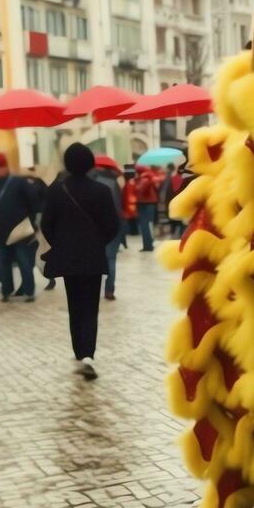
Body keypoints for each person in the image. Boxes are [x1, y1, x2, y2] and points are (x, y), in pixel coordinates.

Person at [40, 144, 121, 379]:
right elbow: (113, 225)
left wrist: (60, 242)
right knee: (90, 306)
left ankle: (78, 350)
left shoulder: (56, 190)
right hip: (92, 256)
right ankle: (88, 353)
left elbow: (46, 224)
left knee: (74, 304)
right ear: (89, 163)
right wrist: (98, 241)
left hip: (67, 256)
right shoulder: (101, 191)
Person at [0, 153, 40, 302]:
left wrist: (31, 223)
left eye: (0, 166)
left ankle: (29, 291)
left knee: (24, 262)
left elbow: (33, 202)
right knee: (3, 263)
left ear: (6, 166)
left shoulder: (19, 182)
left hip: (20, 230)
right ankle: (6, 291)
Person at [88, 159, 125, 301]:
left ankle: (92, 289)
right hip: (115, 224)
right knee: (111, 259)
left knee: (93, 259)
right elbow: (119, 205)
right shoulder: (116, 181)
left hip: (95, 226)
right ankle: (109, 290)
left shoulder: (92, 181)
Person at [133, 164, 159, 252]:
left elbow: (140, 189)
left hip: (145, 203)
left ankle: (148, 245)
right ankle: (148, 245)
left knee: (146, 225)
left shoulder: (145, 178)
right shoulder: (146, 178)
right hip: (146, 203)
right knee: (146, 225)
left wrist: (135, 183)